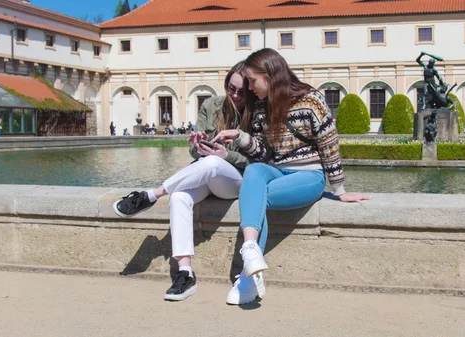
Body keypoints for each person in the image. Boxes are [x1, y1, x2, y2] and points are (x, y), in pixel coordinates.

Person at [213, 48, 371, 305]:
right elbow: (265, 153)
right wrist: (241, 137)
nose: (249, 88)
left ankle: (247, 276)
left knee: (255, 198)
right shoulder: (261, 108)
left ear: (270, 75)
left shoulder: (310, 100)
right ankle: (251, 251)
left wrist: (339, 190)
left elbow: (329, 143)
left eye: (252, 81)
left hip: (308, 176)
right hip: (277, 171)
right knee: (254, 170)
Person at [112, 61, 252, 302]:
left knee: (212, 163)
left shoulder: (257, 111)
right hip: (207, 175)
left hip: (236, 181)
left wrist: (225, 155)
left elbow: (259, 160)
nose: (236, 95)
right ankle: (185, 273)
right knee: (179, 197)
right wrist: (197, 145)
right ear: (226, 83)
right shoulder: (211, 105)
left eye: (242, 91)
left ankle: (151, 195)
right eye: (232, 88)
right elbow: (195, 154)